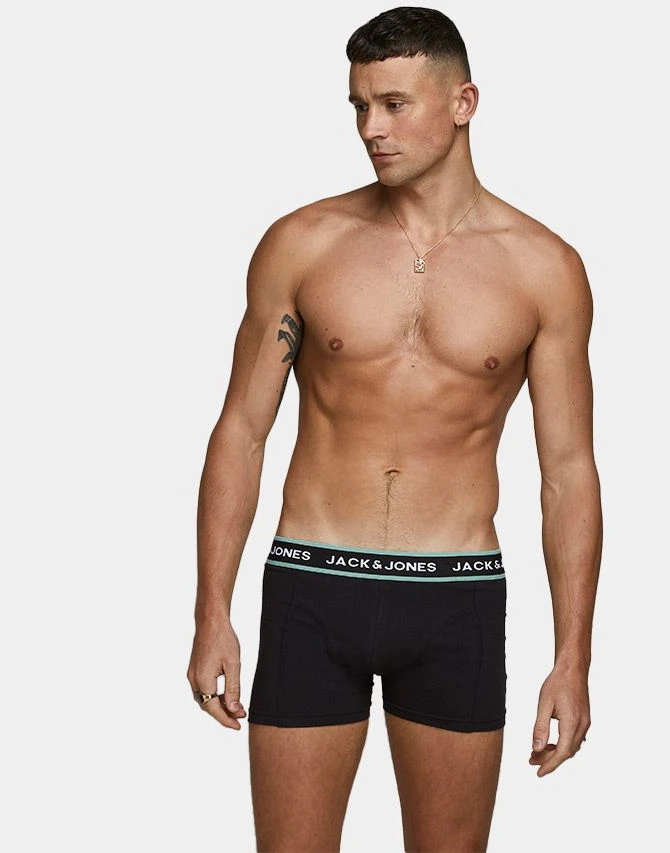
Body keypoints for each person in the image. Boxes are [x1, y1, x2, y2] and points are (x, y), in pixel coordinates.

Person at [187, 6, 602, 851]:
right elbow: (241, 430)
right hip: (312, 583)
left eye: (393, 105)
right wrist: (211, 610)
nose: (370, 129)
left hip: (456, 597)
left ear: (463, 103)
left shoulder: (543, 268)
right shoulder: (302, 243)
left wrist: (573, 657)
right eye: (358, 106)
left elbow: (567, 472)